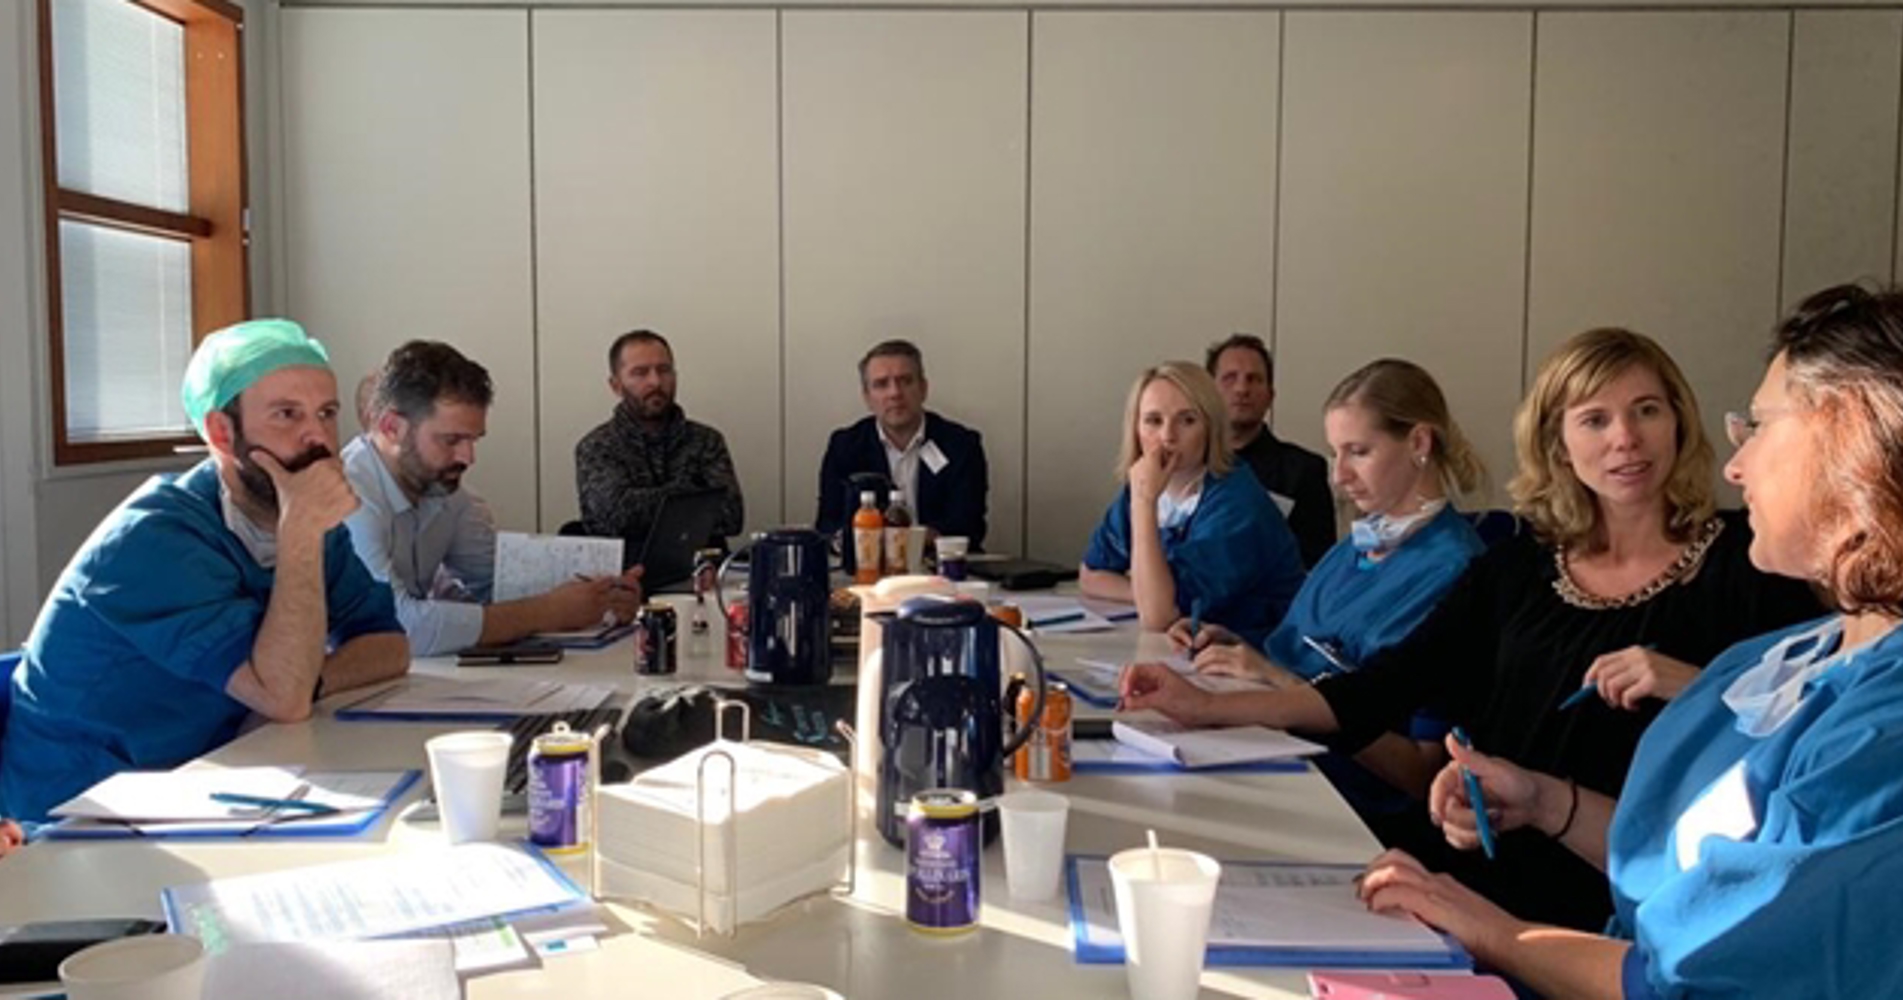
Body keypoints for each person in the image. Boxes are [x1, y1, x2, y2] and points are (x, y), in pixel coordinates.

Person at [1121, 328, 1820, 931]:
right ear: (1557, 442)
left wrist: (1697, 687)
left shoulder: (1751, 562)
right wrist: (1204, 707)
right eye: (1594, 420)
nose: (1625, 439)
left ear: (1679, 422)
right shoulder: (1518, 567)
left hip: (1628, 902)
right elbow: (1378, 691)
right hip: (1473, 868)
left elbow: (1812, 740)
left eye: (1646, 411)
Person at [1356, 283, 1903, 998]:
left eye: (1762, 427)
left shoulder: (1881, 733)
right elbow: (1688, 869)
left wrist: (1491, 931)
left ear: (1854, 447)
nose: (1735, 466)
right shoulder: (1789, 657)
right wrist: (1541, 800)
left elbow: (1690, 976)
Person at [0, 319, 409, 823]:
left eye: (327, 413)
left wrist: (314, 679)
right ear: (221, 432)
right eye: (286, 414)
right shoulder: (154, 539)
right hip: (74, 813)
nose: (317, 437)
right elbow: (283, 697)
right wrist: (300, 534)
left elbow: (389, 645)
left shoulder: (309, 522)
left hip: (208, 779)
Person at [1173, 359, 1489, 844]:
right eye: (1335, 453)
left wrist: (1282, 682)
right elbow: (1299, 645)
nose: (1339, 476)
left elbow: (1422, 772)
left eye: (1358, 452)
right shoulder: (1359, 545)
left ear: (1419, 443)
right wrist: (1239, 645)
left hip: (1347, 805)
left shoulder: (1456, 573)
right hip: (1273, 750)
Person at [343, 341, 644, 657]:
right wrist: (546, 612)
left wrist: (603, 596)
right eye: (451, 440)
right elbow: (396, 626)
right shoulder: (349, 497)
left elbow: (499, 584)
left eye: (473, 440)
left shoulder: (445, 490)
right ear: (391, 427)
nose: (468, 457)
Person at [1079, 361, 1306, 646]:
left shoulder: (1237, 503)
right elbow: (1091, 575)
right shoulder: (1146, 483)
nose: (1167, 436)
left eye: (1187, 420)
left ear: (1210, 427)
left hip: (1259, 652)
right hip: (1191, 648)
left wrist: (1144, 504)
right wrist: (1147, 592)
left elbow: (1159, 618)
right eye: (1153, 421)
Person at [576, 329, 744, 547]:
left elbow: (731, 516)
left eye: (664, 370)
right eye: (640, 373)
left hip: (702, 566)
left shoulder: (707, 441)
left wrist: (642, 501)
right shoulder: (597, 447)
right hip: (627, 568)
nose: (655, 382)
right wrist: (691, 493)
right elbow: (614, 520)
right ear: (616, 386)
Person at [815, 339, 990, 548]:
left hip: (940, 561)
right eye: (881, 384)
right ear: (867, 398)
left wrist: (912, 541)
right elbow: (827, 525)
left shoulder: (960, 445)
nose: (895, 393)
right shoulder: (845, 447)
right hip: (868, 561)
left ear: (923, 389)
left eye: (905, 381)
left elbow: (969, 526)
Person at [1208, 334, 1335, 568]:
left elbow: (1319, 561)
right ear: (1208, 393)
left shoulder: (1304, 470)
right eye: (1230, 378)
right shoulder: (1186, 465)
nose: (1242, 388)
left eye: (1254, 379)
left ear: (1270, 396)